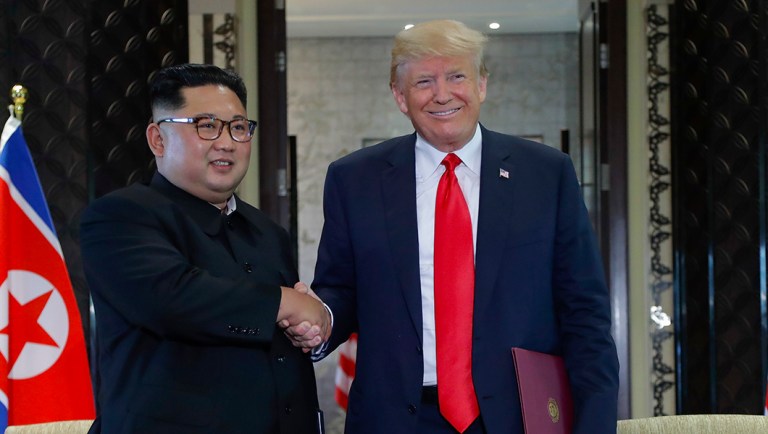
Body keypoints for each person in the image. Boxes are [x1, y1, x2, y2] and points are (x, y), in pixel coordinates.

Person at [300, 20, 619, 433]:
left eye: (456, 76)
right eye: (424, 82)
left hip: (517, 418)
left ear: (482, 85)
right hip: (396, 418)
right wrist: (319, 319)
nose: (442, 94)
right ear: (400, 97)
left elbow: (585, 314)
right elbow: (340, 290)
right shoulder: (353, 179)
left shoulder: (546, 174)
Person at [80, 63, 329, 434]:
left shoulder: (267, 231)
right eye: (206, 125)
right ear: (157, 139)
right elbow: (172, 298)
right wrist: (285, 302)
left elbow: (280, 343)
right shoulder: (120, 216)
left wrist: (311, 327)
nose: (227, 142)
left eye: (239, 127)